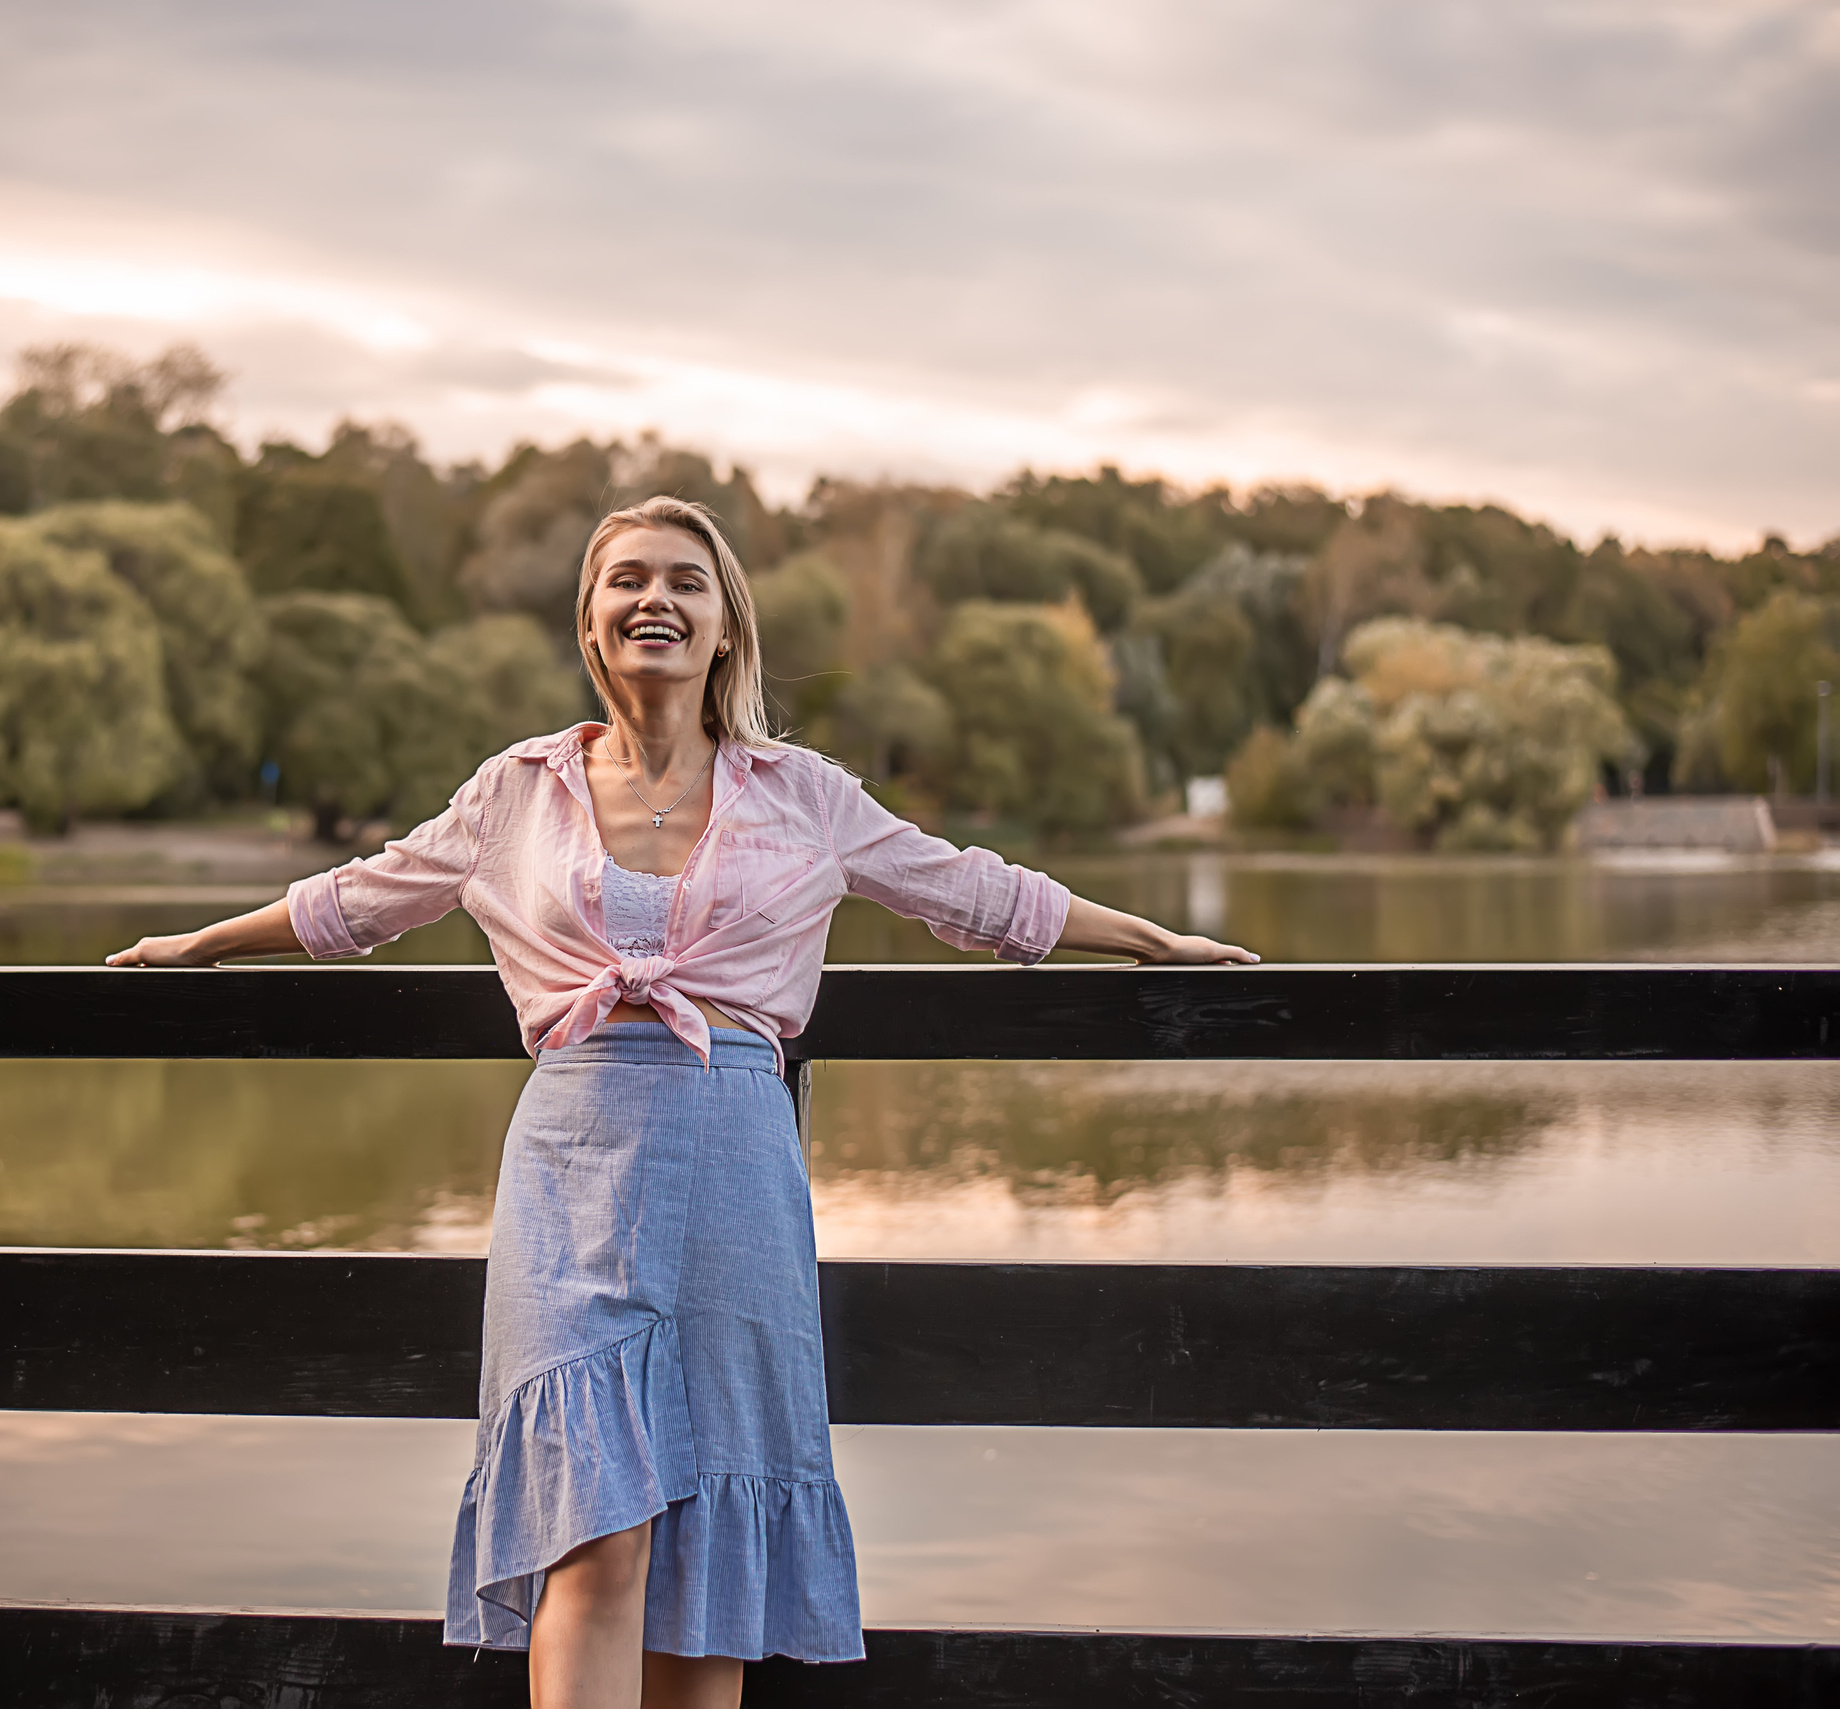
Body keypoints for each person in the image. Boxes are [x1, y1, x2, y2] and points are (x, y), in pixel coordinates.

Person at [107, 496, 1256, 1709]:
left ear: (724, 630)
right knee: (594, 1528)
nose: (656, 598)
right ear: (594, 627)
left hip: (733, 1167)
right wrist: (206, 943)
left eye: (685, 582)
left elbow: (970, 890)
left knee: (711, 1532)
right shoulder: (516, 793)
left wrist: (1147, 938)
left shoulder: (802, 794)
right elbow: (362, 898)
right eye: (628, 580)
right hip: (572, 1174)